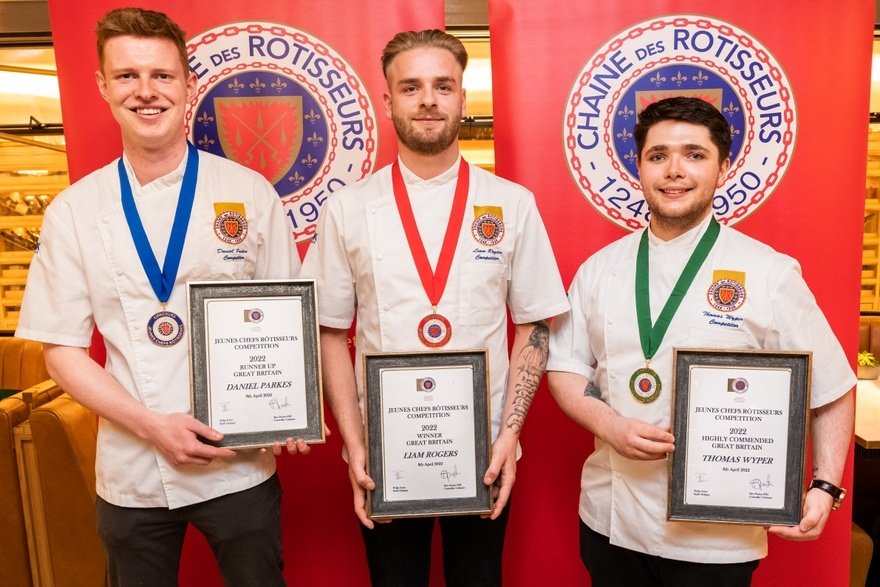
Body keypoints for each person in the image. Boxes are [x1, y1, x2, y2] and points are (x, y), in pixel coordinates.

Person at [15, 7, 303, 586]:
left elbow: (287, 320)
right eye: (126, 76)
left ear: (188, 84)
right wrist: (153, 425)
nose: (146, 92)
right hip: (132, 470)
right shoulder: (74, 209)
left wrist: (289, 406)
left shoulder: (247, 193)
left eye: (162, 76)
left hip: (237, 468)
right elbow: (62, 352)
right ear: (102, 86)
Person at [547, 96, 855, 586]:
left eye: (694, 154)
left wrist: (824, 485)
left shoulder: (769, 273)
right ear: (639, 167)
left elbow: (832, 387)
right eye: (657, 156)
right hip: (610, 518)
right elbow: (566, 367)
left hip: (717, 536)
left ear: (723, 167)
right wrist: (608, 423)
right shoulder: (599, 270)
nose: (674, 171)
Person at [301, 29, 569, 586]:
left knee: (479, 578)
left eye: (443, 86)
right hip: (385, 452)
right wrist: (355, 445)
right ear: (389, 100)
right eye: (411, 87)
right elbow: (328, 331)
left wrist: (509, 436)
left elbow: (535, 325)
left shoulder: (511, 204)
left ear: (463, 99)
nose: (428, 100)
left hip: (485, 450)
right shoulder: (348, 209)